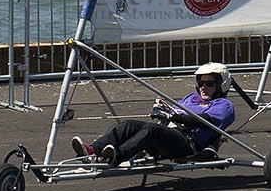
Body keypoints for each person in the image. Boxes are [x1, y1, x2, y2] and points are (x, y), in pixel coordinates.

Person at [72, 62, 236, 166]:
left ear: (221, 85)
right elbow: (173, 111)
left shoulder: (224, 105)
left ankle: (116, 157)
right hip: (168, 134)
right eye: (201, 83)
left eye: (209, 84)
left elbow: (204, 120)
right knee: (128, 125)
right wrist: (161, 110)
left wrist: (176, 117)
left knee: (152, 130)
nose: (203, 87)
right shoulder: (191, 98)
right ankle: (93, 150)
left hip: (186, 143)